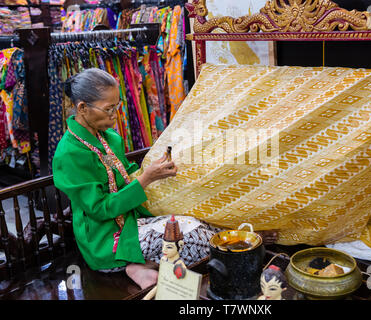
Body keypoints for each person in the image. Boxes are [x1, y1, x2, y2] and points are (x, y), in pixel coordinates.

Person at [52, 68, 278, 290]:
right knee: (191, 237)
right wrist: (146, 179)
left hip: (132, 222)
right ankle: (245, 245)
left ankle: (145, 264)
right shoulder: (69, 154)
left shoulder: (108, 137)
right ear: (82, 108)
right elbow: (100, 208)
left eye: (117, 106)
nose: (115, 115)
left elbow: (129, 173)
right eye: (109, 109)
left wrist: (158, 170)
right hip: (106, 243)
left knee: (195, 220)